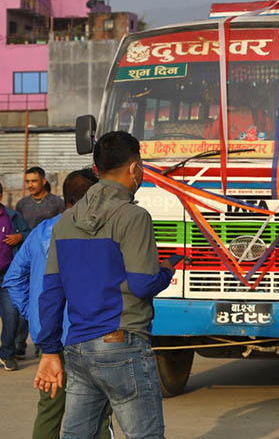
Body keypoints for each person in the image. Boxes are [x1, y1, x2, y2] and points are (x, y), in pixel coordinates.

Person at [34, 131, 176, 438]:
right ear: (135, 167)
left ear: (97, 168)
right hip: (122, 342)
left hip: (78, 347)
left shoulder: (65, 222)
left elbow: (52, 292)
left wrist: (49, 351)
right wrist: (167, 269)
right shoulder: (133, 216)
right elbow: (142, 284)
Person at [3, 169, 114, 439]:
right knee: (99, 412)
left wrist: (35, 313)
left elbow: (14, 279)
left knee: (50, 410)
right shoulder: (104, 230)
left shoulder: (41, 231)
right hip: (91, 335)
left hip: (50, 335)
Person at [0, 183, 32, 370]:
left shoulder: (13, 217)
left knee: (11, 316)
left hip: (8, 277)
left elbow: (29, 235)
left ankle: (7, 354)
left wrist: (20, 237)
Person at [17, 167, 66, 231]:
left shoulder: (57, 202)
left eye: (34, 181)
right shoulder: (22, 204)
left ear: (43, 181)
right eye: (27, 182)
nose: (30, 185)